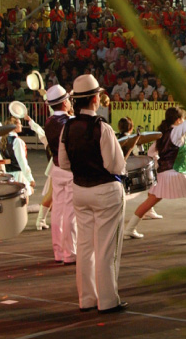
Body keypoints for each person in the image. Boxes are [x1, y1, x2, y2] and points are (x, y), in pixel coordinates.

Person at [59, 74, 128, 313]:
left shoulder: (67, 127)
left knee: (85, 247)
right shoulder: (102, 127)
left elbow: (63, 163)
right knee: (106, 248)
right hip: (105, 191)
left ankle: (87, 298)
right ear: (95, 99)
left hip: (80, 190)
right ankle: (108, 300)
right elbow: (116, 167)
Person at [122, 107, 186, 243]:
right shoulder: (176, 131)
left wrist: (159, 162)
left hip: (163, 174)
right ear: (177, 120)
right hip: (175, 173)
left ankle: (129, 229)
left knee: (150, 201)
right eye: (181, 119)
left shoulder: (163, 134)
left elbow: (151, 153)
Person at [44, 84, 78, 264]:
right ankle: (70, 252)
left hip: (56, 168)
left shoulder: (48, 122)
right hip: (69, 169)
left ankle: (58, 251)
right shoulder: (70, 122)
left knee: (57, 210)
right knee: (70, 212)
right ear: (64, 102)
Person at [0, 117, 36, 198]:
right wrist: (30, 178)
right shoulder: (17, 141)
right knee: (23, 201)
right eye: (19, 123)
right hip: (19, 175)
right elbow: (22, 161)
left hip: (8, 175)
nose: (22, 125)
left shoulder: (4, 139)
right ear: (14, 126)